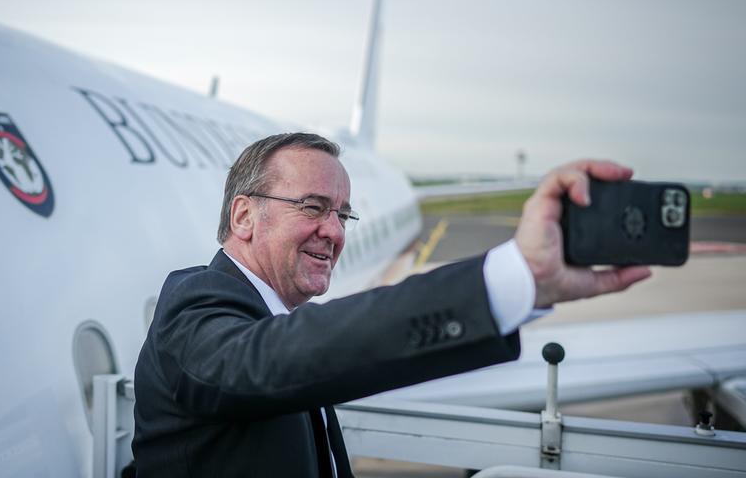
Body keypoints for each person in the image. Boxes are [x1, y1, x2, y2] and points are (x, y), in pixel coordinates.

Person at [132, 132, 651, 477]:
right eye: (313, 207)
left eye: (343, 215)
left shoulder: (272, 312)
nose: (334, 232)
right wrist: (518, 277)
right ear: (244, 216)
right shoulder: (193, 304)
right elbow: (273, 360)